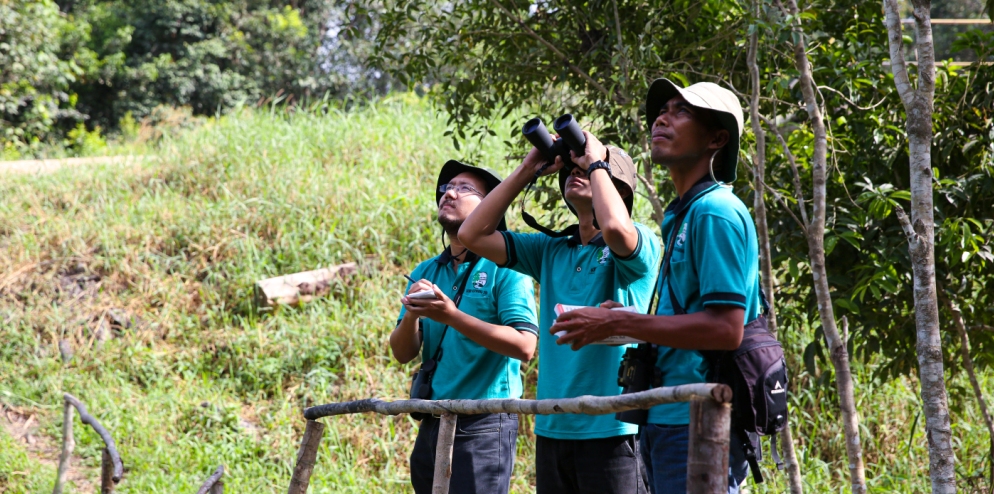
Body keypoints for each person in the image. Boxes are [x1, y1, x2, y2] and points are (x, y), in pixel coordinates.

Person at [550, 79, 759, 493]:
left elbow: (724, 329)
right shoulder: (683, 215)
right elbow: (688, 318)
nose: (661, 118)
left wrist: (614, 327)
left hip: (698, 421)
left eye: (681, 111)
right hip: (668, 413)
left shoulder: (716, 212)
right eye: (661, 109)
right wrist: (627, 319)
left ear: (717, 138)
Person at [459, 128, 659, 494]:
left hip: (615, 430)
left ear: (620, 190)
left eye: (588, 169)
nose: (576, 172)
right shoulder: (552, 250)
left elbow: (615, 227)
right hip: (553, 425)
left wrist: (595, 160)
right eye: (571, 169)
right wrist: (528, 168)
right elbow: (471, 234)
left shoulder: (641, 241)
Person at [391, 160, 539, 494]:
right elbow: (402, 354)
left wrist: (451, 315)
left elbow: (525, 346)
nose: (450, 194)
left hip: (485, 422)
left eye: (465, 189)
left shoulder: (506, 267)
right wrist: (413, 314)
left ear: (491, 206)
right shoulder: (427, 269)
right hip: (433, 419)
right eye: (447, 188)